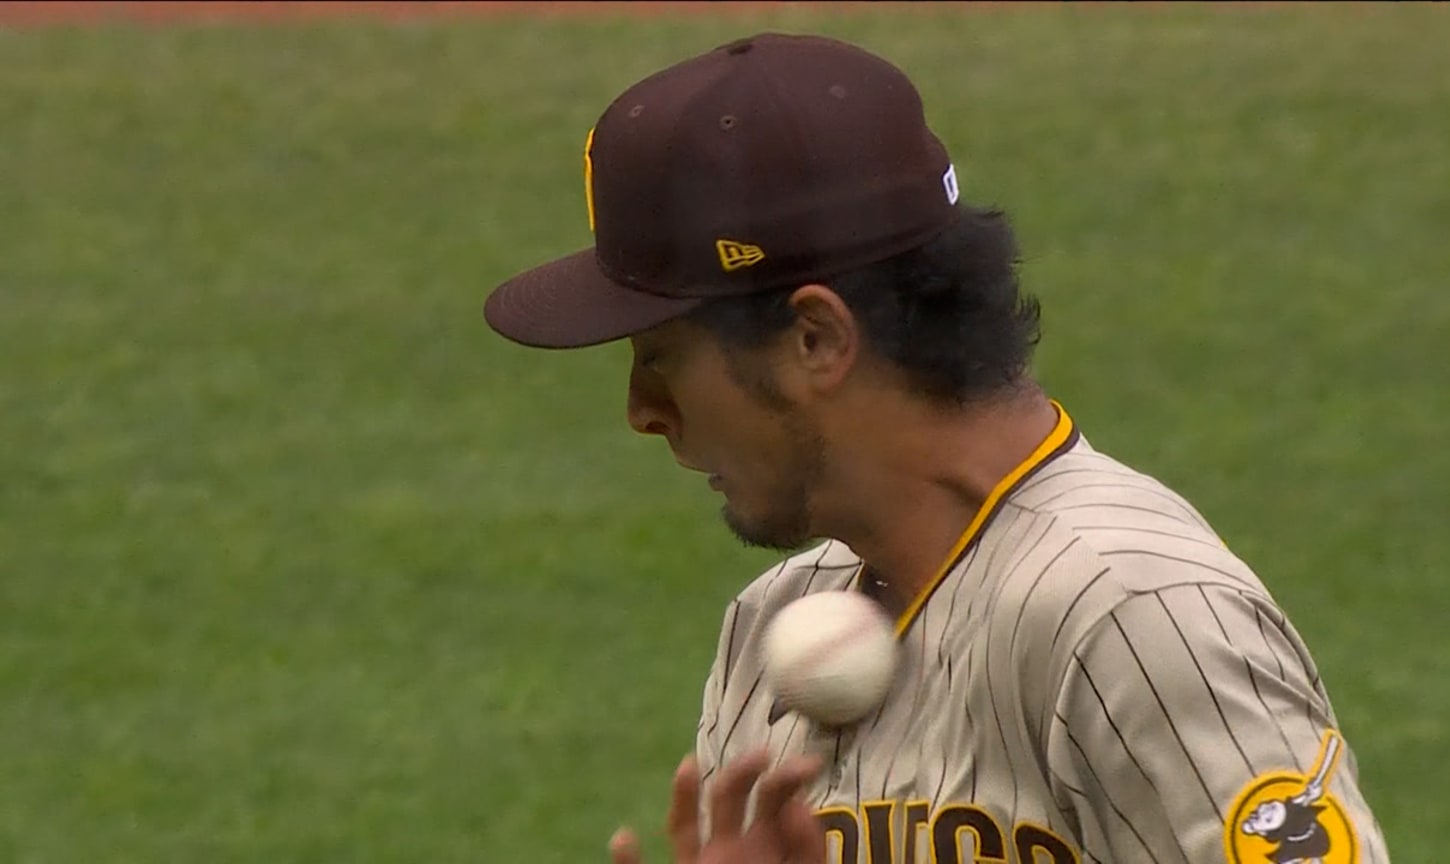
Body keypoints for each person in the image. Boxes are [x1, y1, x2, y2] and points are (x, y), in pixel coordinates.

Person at [483, 32, 1391, 864]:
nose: (644, 411)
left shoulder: (1135, 616)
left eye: (662, 359)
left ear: (816, 340)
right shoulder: (770, 628)